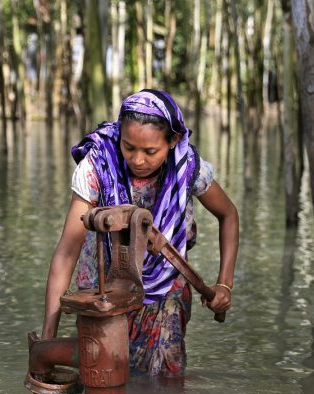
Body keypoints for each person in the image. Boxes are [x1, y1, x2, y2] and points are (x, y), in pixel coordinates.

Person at [41, 89, 238, 377]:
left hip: (165, 291)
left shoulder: (187, 167)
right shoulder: (97, 166)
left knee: (164, 381)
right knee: (102, 376)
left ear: (172, 141)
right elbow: (67, 252)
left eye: (150, 152)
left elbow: (228, 215)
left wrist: (225, 284)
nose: (138, 160)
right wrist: (47, 345)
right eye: (129, 147)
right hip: (103, 292)